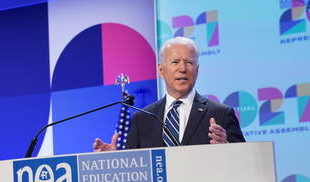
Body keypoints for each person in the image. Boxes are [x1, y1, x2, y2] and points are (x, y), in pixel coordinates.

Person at [93, 37, 245, 151]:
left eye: (189, 62)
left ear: (197, 70)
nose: (183, 68)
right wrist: (113, 158)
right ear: (161, 70)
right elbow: (135, 171)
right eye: (175, 62)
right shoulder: (143, 118)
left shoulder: (221, 114)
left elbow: (245, 164)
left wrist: (226, 148)